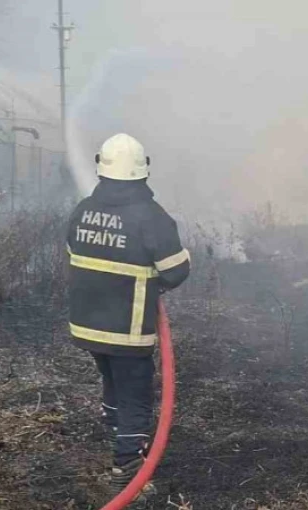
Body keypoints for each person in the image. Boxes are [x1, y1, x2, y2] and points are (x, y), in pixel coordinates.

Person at [66, 133, 190, 500]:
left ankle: (113, 428)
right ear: (143, 170)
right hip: (127, 328)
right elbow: (175, 271)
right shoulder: (151, 217)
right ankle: (128, 468)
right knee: (135, 394)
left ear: (101, 168)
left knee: (112, 380)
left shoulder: (83, 209)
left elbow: (75, 251)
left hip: (88, 325)